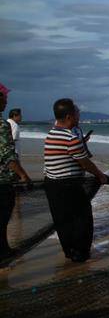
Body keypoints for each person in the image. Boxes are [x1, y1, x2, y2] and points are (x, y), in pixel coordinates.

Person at [44, 98, 107, 262]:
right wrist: (100, 175)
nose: (79, 116)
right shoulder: (70, 137)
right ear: (69, 117)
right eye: (77, 113)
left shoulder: (51, 133)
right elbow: (85, 162)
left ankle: (69, 251)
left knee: (63, 220)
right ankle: (80, 254)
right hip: (69, 186)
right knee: (82, 219)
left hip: (52, 184)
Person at [0, 84, 30, 257]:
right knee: (3, 217)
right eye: (4, 98)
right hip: (3, 180)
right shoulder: (3, 125)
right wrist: (23, 175)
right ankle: (3, 252)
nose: (6, 101)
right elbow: (7, 155)